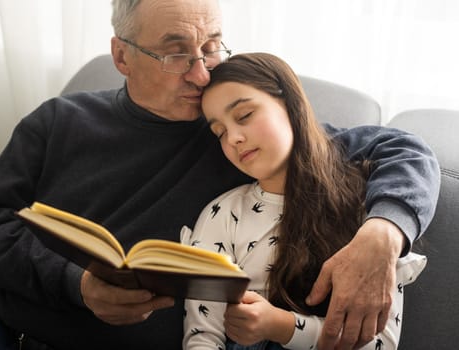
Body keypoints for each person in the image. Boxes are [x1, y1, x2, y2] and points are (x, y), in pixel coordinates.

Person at [0, 0, 439, 349]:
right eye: (176, 53)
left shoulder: (238, 137)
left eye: (211, 46)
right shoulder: (58, 120)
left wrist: (384, 233)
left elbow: (405, 149)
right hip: (10, 336)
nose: (203, 73)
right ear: (122, 56)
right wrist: (74, 285)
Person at [182, 52, 428, 350]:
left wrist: (281, 327)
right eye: (219, 132)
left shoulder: (368, 210)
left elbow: (380, 344)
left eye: (245, 115)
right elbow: (202, 337)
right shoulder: (221, 214)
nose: (233, 137)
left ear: (290, 105)